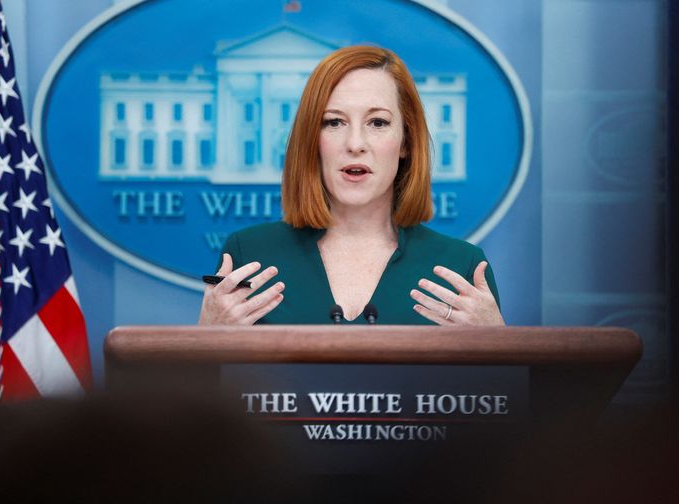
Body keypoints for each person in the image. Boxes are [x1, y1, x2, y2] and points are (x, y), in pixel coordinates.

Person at [198, 46, 504, 326]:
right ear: (311, 141)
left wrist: (498, 344)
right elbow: (206, 385)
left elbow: (497, 387)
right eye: (334, 122)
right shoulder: (249, 254)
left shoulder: (462, 266)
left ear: (406, 142)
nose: (355, 144)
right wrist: (206, 338)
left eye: (378, 123)